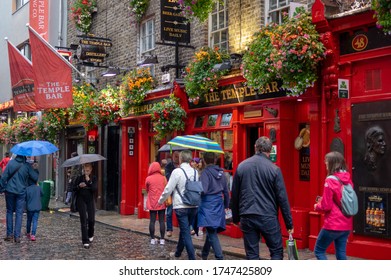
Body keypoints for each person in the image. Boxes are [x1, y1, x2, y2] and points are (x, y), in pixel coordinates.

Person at [231, 136, 294, 260]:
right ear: (270, 150)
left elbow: (235, 195)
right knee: (276, 251)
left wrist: (236, 218)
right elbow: (282, 198)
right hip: (268, 216)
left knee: (252, 255)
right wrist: (289, 224)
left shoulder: (241, 166)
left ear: (255, 147)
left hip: (247, 215)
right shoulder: (274, 169)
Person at [158, 150, 198, 260]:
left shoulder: (177, 172)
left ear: (181, 159)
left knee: (186, 234)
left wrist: (160, 201)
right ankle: (177, 253)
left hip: (181, 206)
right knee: (184, 230)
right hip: (193, 205)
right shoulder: (195, 172)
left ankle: (192, 259)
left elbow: (168, 189)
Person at [314, 151, 353, 260]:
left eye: (326, 162)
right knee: (341, 253)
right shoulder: (347, 178)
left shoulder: (330, 180)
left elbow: (326, 206)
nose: (325, 165)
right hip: (346, 223)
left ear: (332, 163)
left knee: (319, 251)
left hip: (333, 224)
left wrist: (317, 206)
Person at [197, 152, 230, 260]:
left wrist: (196, 187)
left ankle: (220, 257)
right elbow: (226, 191)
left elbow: (204, 190)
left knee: (211, 230)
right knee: (211, 229)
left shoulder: (205, 173)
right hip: (218, 203)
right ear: (215, 161)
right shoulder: (222, 172)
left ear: (204, 161)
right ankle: (204, 254)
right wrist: (226, 205)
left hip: (207, 204)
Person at [1, 155, 39, 243]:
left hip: (9, 191)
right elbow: (35, 177)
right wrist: (34, 169)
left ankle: (9, 234)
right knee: (19, 213)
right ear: (24, 156)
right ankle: (17, 236)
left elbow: (3, 177)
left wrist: (3, 188)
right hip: (21, 192)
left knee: (9, 211)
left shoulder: (10, 163)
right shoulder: (26, 166)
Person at [73, 162, 97, 249]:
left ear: (91, 170)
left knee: (91, 220)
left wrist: (89, 181)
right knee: (84, 220)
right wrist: (79, 186)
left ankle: (90, 234)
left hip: (90, 200)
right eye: (85, 170)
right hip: (81, 200)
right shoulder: (79, 178)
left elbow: (94, 189)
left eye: (88, 170)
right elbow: (73, 188)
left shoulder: (93, 178)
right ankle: (85, 240)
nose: (86, 172)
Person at [145, 162, 167, 245]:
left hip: (152, 202)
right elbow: (166, 188)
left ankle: (152, 239)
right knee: (162, 221)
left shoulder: (148, 178)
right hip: (161, 202)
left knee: (152, 221)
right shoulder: (163, 178)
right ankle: (162, 239)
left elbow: (147, 189)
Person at [164, 151, 180, 237]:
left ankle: (187, 227)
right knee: (169, 211)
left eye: (178, 156)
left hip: (180, 192)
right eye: (175, 156)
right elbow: (168, 177)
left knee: (181, 210)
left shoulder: (182, 166)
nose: (176, 158)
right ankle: (169, 229)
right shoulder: (168, 166)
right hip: (171, 191)